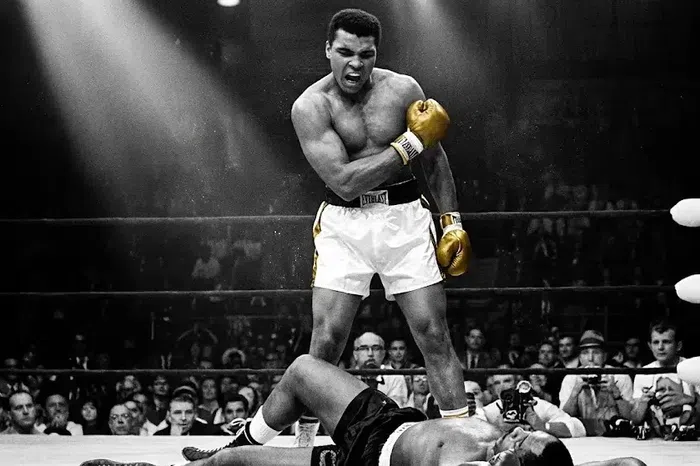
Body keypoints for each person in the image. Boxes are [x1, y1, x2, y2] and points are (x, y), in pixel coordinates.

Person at [287, 6, 472, 448]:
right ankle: (303, 446)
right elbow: (345, 182)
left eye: (366, 54)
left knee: (433, 332)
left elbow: (434, 160)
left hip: (404, 217)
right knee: (326, 341)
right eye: (345, 53)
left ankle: (464, 441)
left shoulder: (403, 89)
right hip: (344, 223)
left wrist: (451, 223)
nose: (356, 64)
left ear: (377, 53)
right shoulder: (311, 106)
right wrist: (411, 141)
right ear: (328, 50)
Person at [82, 355, 650, 466]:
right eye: (526, 434)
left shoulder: (476, 465)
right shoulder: (499, 436)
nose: (519, 433)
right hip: (385, 419)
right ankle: (244, 436)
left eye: (523, 443)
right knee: (303, 370)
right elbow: (628, 465)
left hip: (366, 456)